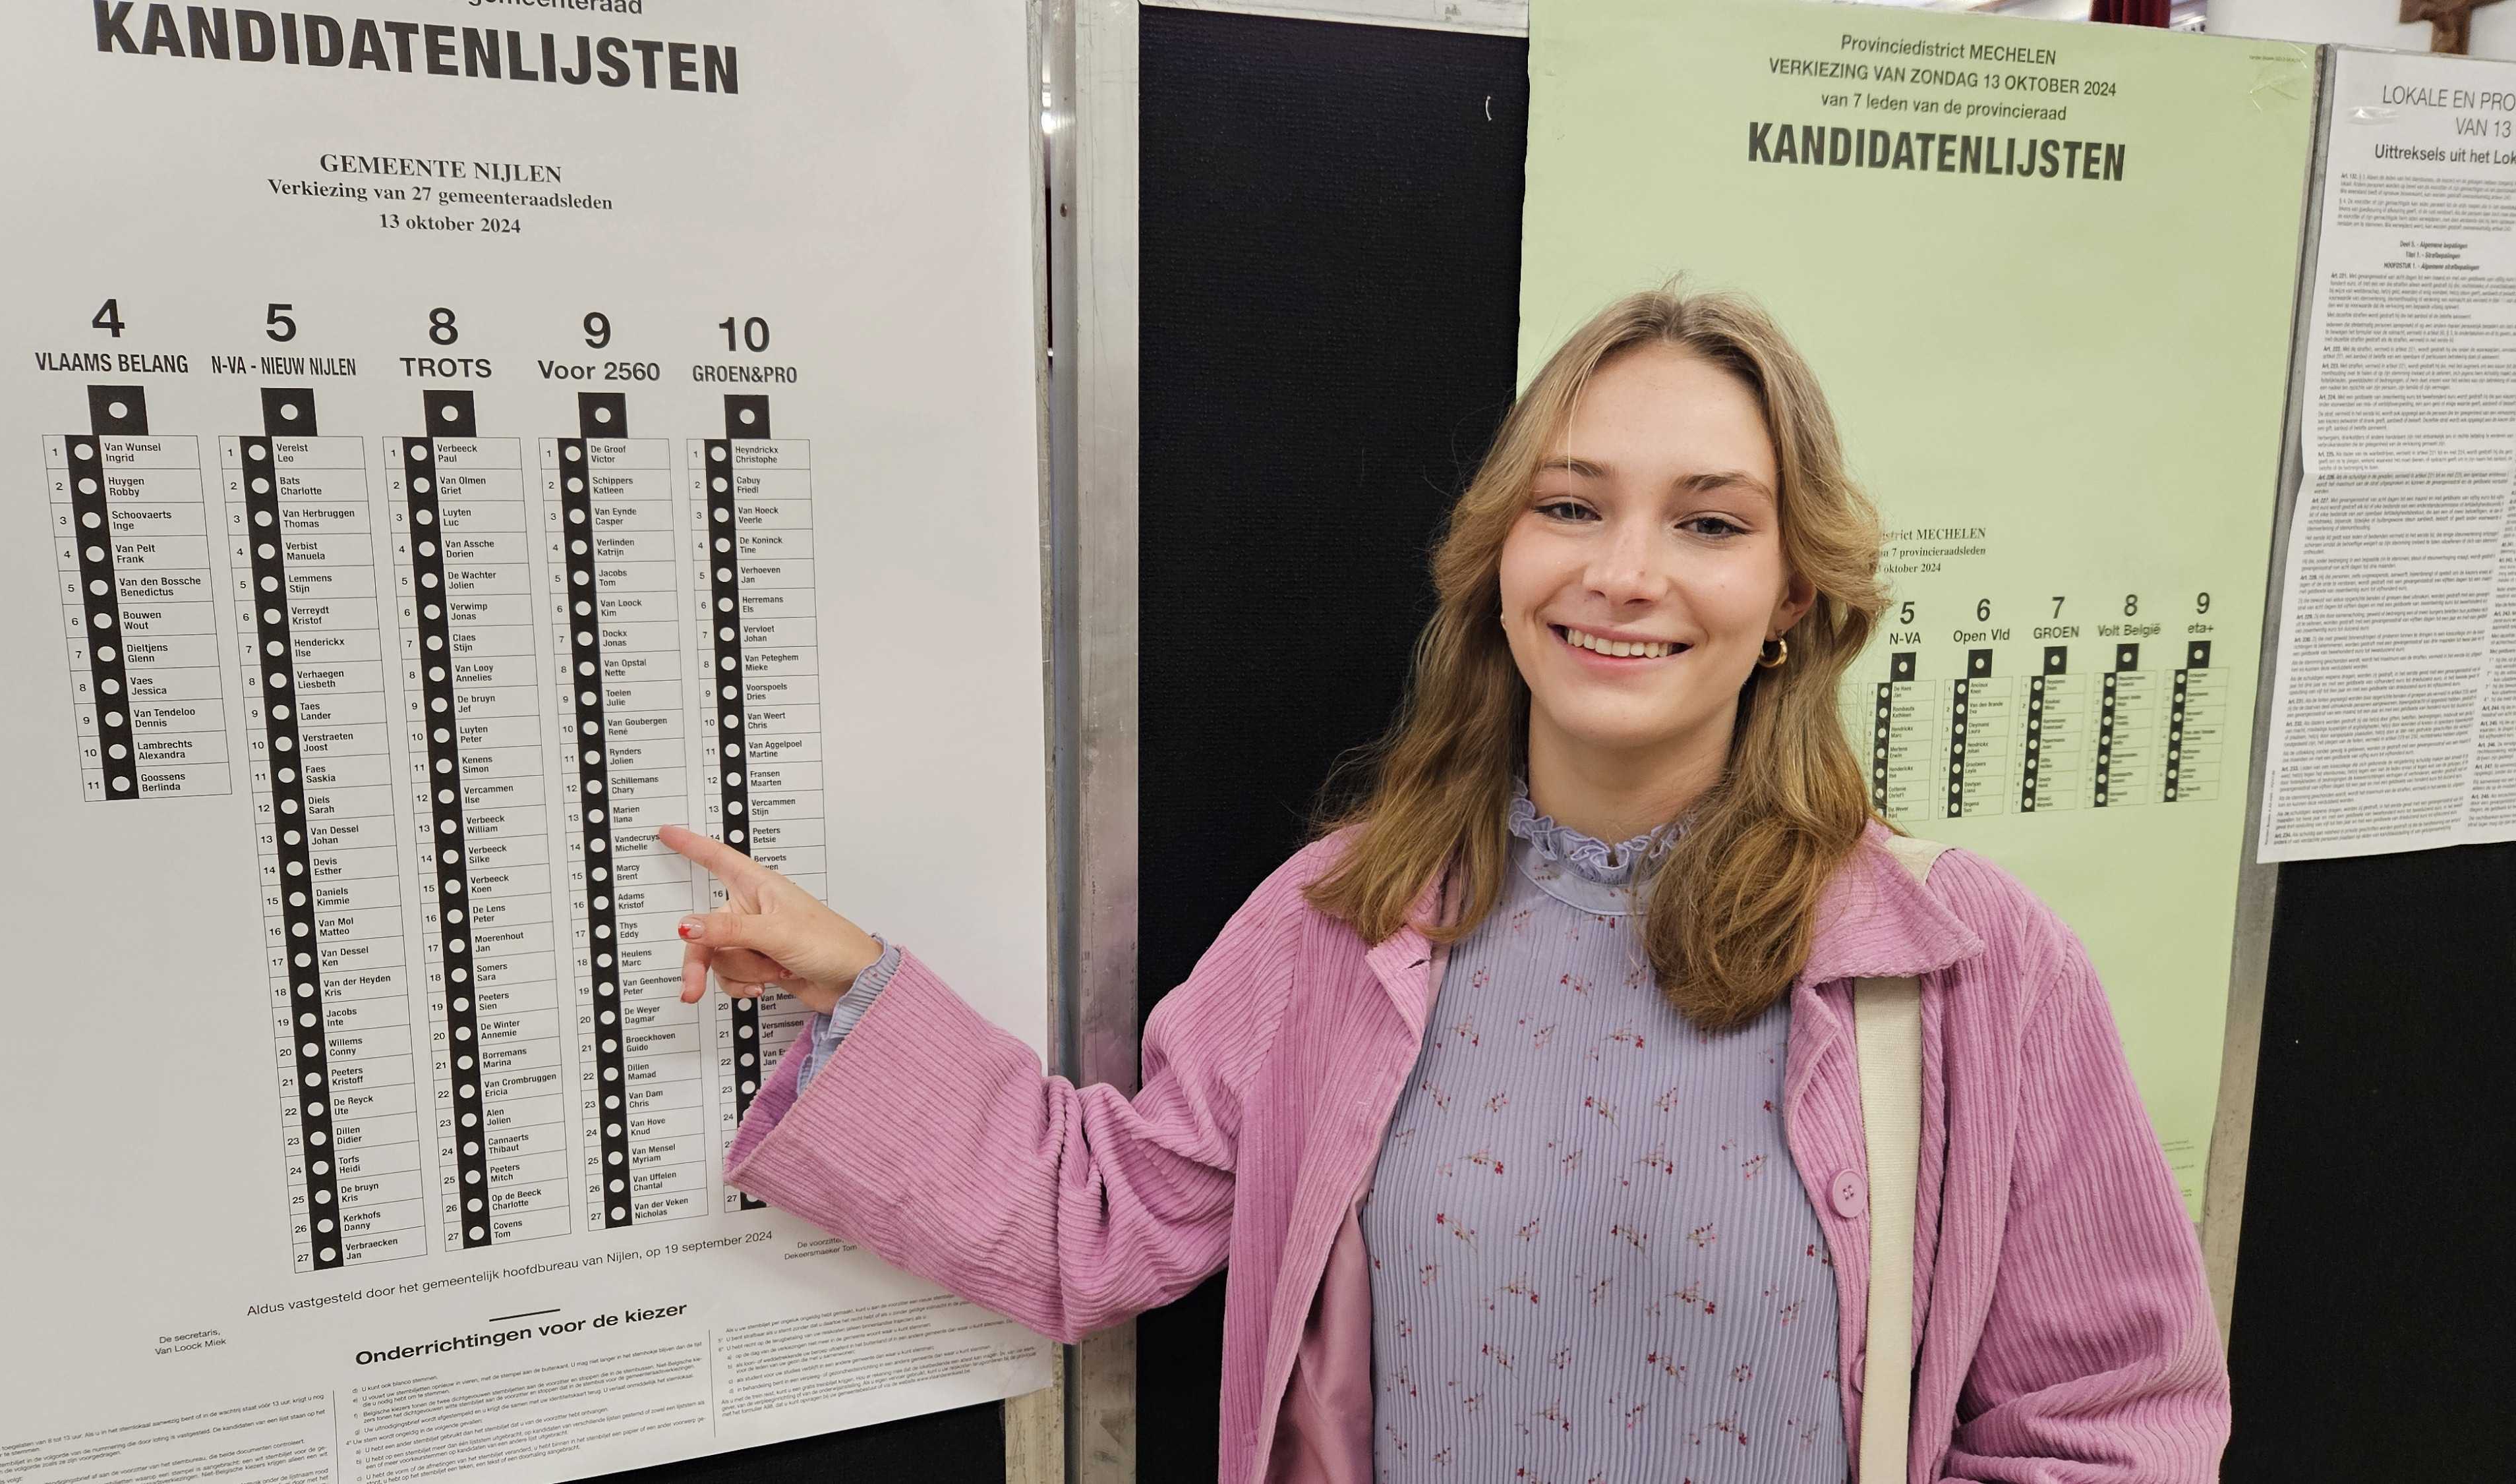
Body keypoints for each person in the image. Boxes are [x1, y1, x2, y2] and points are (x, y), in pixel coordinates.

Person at [655, 287, 2227, 1484]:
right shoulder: (1344, 920)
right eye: (1570, 505)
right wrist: (850, 983)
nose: (1622, 571)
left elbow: (2110, 1423)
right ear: (1498, 556)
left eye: (1707, 523)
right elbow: (1100, 1212)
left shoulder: (1967, 962)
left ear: (1789, 597)